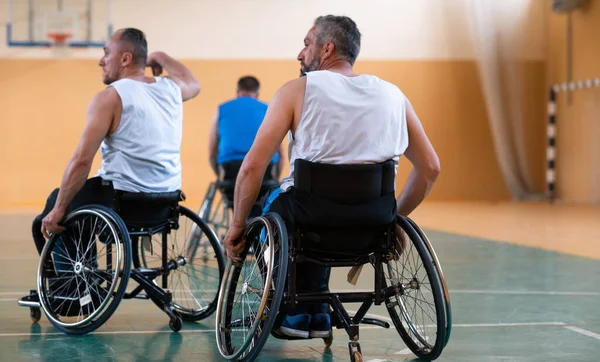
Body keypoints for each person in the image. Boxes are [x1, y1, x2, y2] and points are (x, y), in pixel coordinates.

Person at [223, 15, 440, 339]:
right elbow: (430, 168)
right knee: (308, 208)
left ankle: (293, 310)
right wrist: (395, 217)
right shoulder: (394, 96)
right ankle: (316, 315)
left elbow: (253, 167)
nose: (300, 53)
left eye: (307, 44)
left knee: (278, 206)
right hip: (371, 225)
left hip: (308, 223)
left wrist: (237, 226)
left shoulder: (297, 90)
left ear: (327, 48)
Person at [33, 27, 200, 254]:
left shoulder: (110, 97)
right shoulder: (170, 89)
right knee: (69, 202)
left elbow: (82, 160)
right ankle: (83, 279)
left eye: (106, 53)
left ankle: (75, 285)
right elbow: (193, 83)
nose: (101, 61)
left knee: (52, 210)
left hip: (121, 201)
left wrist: (59, 208)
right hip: (164, 201)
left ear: (125, 59)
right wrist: (159, 57)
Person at [207, 76, 284, 216]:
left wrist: (220, 177)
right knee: (262, 202)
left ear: (237, 92)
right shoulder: (269, 110)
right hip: (263, 174)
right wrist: (275, 178)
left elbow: (212, 153)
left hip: (232, 176)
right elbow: (280, 153)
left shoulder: (221, 110)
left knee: (236, 205)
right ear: (257, 93)